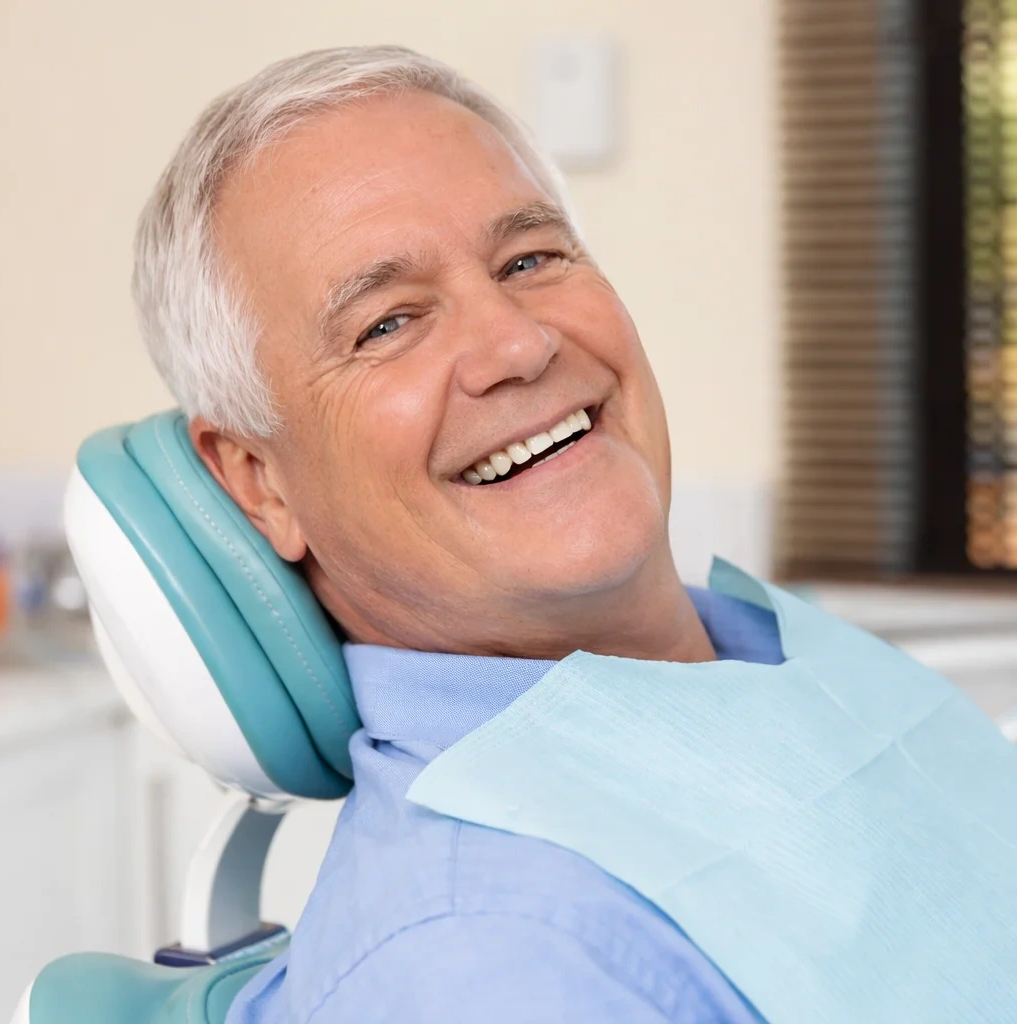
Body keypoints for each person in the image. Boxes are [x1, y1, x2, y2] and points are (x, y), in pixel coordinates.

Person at [134, 45, 776, 1023]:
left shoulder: (784, 657)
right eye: (387, 324)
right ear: (261, 483)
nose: (517, 344)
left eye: (530, 259)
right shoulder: (480, 962)